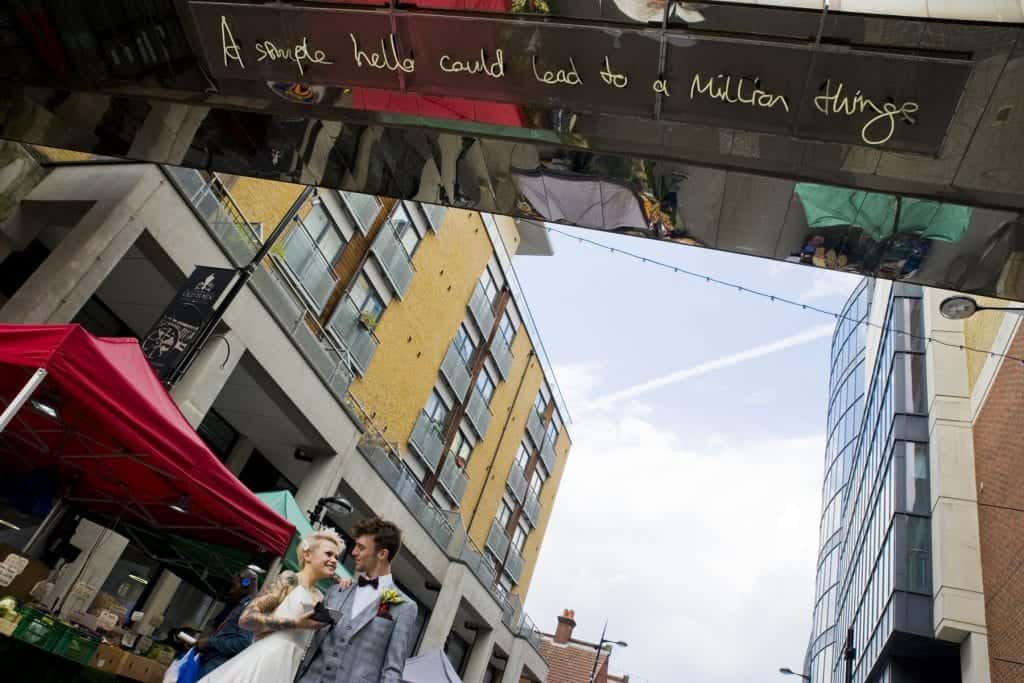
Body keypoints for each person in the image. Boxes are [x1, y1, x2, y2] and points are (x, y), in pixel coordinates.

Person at [197, 530, 344, 682]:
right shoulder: (290, 579)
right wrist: (295, 623)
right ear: (307, 555)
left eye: (336, 557)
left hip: (291, 668)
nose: (334, 560)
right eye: (328, 554)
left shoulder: (320, 596)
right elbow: (246, 618)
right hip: (267, 659)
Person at [296, 517, 417, 683]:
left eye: (360, 547)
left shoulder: (404, 607)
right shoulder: (337, 591)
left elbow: (392, 671)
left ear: (382, 554)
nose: (353, 552)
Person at [194, 568, 260, 678]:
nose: (231, 591)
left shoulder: (252, 608)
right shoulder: (244, 605)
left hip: (217, 668)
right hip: (213, 663)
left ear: (246, 583)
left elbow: (243, 643)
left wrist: (210, 643)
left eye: (234, 586)